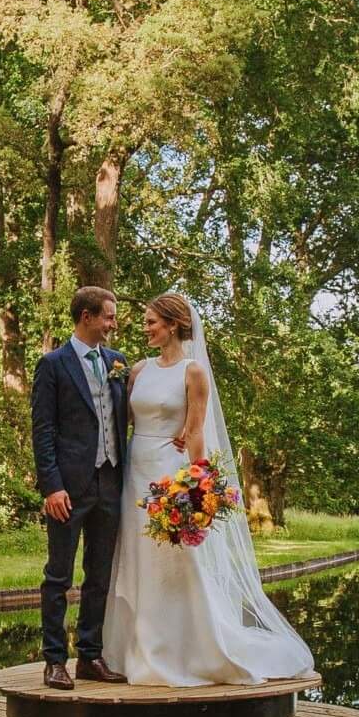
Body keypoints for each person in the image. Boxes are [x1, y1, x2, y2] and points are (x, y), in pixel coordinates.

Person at [102, 293, 314, 687]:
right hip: (136, 471)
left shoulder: (193, 372)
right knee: (136, 557)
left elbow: (197, 430)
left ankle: (189, 650)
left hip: (170, 472)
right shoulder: (137, 370)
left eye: (151, 322)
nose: (145, 328)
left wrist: (199, 484)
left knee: (175, 561)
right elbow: (124, 422)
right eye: (145, 322)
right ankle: (136, 649)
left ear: (173, 324)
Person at [31, 286, 133, 690]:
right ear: (87, 317)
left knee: (100, 575)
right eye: (108, 316)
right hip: (68, 489)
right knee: (58, 575)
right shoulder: (53, 364)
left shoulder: (117, 362)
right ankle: (54, 660)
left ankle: (89, 655)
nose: (113, 323)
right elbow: (43, 431)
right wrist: (51, 486)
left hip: (110, 482)